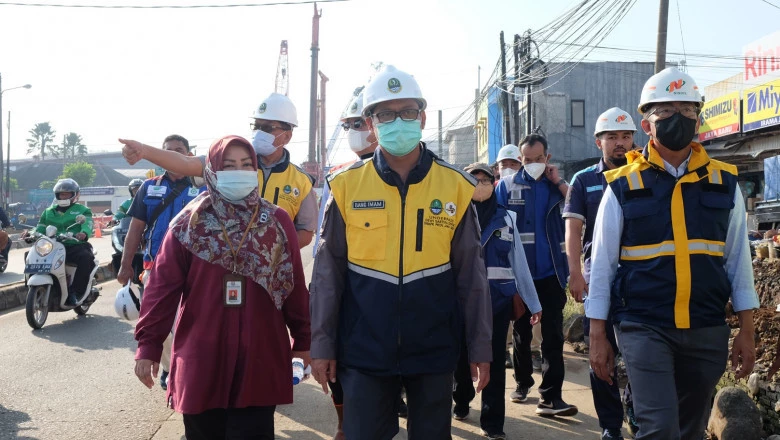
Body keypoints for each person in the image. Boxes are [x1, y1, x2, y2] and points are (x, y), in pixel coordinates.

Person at [310, 65, 492, 440]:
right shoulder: (346, 187)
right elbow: (328, 274)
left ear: (423, 117)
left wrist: (480, 346)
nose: (398, 122)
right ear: (370, 122)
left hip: (434, 349)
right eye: (386, 114)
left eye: (408, 112)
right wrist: (322, 343)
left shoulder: (456, 186)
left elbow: (471, 276)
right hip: (363, 350)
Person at [586, 67, 759, 440]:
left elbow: (738, 263)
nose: (676, 118)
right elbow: (601, 267)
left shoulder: (725, 182)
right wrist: (597, 333)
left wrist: (747, 329)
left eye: (686, 109)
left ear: (698, 118)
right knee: (660, 428)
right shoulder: (621, 186)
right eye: (664, 112)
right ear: (646, 125)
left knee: (690, 429)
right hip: (643, 325)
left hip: (706, 327)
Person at [134, 135, 311, 440]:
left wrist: (304, 340)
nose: (238, 172)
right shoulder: (189, 223)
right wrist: (148, 346)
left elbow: (293, 286)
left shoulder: (277, 222)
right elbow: (161, 290)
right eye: (228, 166)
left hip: (260, 354)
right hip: (202, 356)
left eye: (245, 165)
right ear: (212, 170)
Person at [119, 93, 317, 249]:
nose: (259, 132)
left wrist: (270, 251)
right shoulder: (225, 161)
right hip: (224, 263)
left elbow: (306, 232)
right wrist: (144, 151)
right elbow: (185, 163)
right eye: (256, 125)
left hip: (273, 269)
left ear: (287, 136)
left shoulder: (301, 181)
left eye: (267, 127)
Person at [452, 162, 542, 440]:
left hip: (497, 303)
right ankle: (462, 399)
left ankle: (493, 425)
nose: (480, 183)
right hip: (460, 302)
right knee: (461, 358)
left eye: (486, 179)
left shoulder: (507, 218)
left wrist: (533, 302)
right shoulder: (453, 216)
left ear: (494, 183)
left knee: (492, 362)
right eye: (474, 179)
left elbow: (519, 262)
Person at [564, 107, 638, 440]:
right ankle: (610, 425)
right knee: (600, 351)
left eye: (625, 136)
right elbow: (574, 230)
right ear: (599, 142)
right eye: (612, 137)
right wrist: (575, 272)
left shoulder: (645, 174)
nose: (620, 144)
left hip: (640, 277)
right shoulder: (583, 181)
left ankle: (637, 417)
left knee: (642, 352)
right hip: (599, 279)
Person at [496, 133, 577, 417]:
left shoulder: (558, 188)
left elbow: (582, 210)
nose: (532, 164)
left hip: (552, 273)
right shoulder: (506, 187)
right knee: (521, 332)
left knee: (553, 336)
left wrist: (560, 182)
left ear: (548, 158)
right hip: (520, 275)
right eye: (527, 160)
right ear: (520, 160)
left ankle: (551, 397)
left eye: (538, 159)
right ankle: (522, 383)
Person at [118, 134, 205, 390]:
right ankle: (170, 368)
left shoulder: (203, 186)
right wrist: (125, 265)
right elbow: (136, 227)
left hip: (195, 268)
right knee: (159, 324)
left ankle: (194, 369)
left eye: (179, 150)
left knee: (192, 323)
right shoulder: (149, 187)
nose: (173, 155)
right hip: (155, 268)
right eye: (168, 151)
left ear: (188, 156)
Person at [27, 179, 94, 305]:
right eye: (61, 194)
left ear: (75, 195)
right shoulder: (48, 211)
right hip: (52, 246)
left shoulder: (82, 210)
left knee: (85, 257)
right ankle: (31, 286)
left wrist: (83, 233)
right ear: (57, 195)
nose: (63, 196)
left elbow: (88, 224)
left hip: (74, 245)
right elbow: (40, 227)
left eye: (67, 194)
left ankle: (76, 292)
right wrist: (30, 233)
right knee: (30, 254)